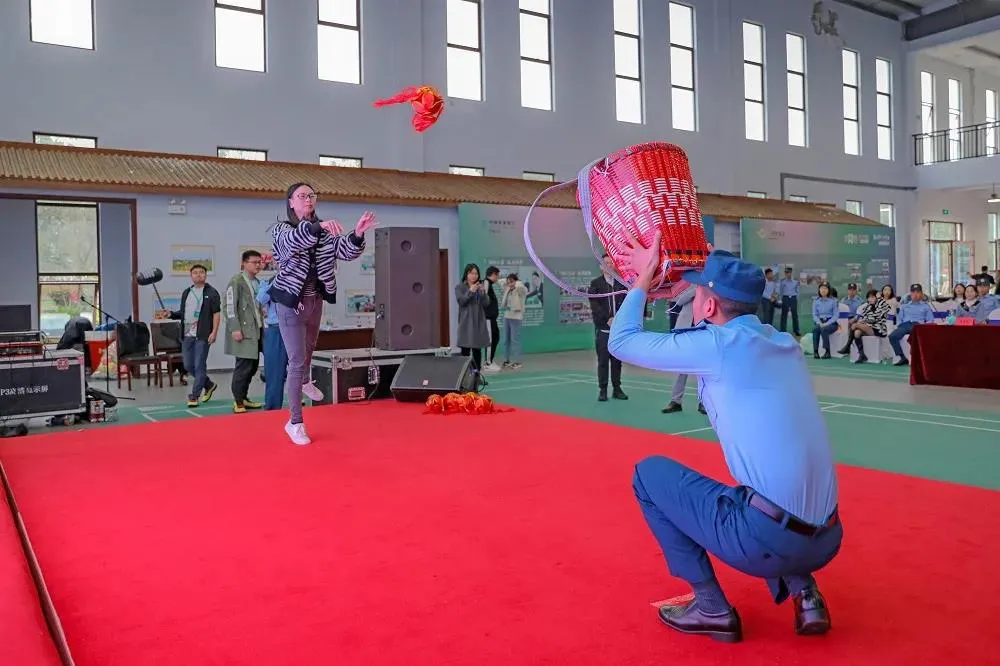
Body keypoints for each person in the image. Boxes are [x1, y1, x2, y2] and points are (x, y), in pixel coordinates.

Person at [609, 232, 841, 644]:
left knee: (649, 476)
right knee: (750, 493)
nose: (693, 298)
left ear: (710, 306)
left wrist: (643, 278)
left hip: (768, 541)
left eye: (698, 293)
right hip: (828, 539)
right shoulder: (782, 342)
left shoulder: (718, 345)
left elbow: (622, 342)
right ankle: (806, 594)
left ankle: (711, 608)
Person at [270, 182, 377, 445]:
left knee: (309, 348)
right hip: (290, 303)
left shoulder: (324, 232)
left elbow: (345, 250)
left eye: (311, 195)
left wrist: (358, 234)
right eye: (302, 196)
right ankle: (295, 422)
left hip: (315, 300)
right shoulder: (282, 230)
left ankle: (306, 380)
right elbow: (294, 241)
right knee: (296, 361)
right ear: (291, 202)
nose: (308, 199)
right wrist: (318, 227)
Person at [163, 264, 221, 408]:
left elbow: (216, 314)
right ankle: (209, 384)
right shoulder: (186, 292)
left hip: (203, 334)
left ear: (205, 275)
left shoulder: (212, 292)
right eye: (195, 273)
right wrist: (171, 314)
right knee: (188, 365)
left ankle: (194, 395)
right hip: (187, 334)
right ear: (191, 276)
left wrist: (214, 332)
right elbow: (183, 313)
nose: (199, 275)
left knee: (199, 364)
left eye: (202, 272)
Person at [225, 250, 265, 413]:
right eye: (254, 262)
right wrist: (235, 328)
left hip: (258, 330)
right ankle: (238, 401)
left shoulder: (258, 282)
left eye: (259, 262)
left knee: (253, 366)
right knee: (243, 366)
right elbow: (229, 306)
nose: (258, 265)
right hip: (244, 330)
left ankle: (244, 397)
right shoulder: (236, 281)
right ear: (244, 263)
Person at [588, 254, 629, 402]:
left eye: (611, 263)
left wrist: (618, 320)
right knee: (603, 361)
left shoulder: (621, 283)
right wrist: (608, 319)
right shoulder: (595, 284)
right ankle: (603, 390)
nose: (609, 265)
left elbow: (626, 303)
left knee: (617, 361)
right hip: (603, 330)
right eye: (605, 263)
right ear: (601, 266)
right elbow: (595, 305)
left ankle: (617, 389)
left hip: (618, 331)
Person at [660, 285, 704, 415]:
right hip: (685, 328)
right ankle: (676, 402)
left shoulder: (712, 285)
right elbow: (679, 300)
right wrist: (697, 290)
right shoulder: (687, 284)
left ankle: (703, 402)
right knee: (681, 367)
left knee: (703, 368)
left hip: (703, 329)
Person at [256, 274, 288, 411]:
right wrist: (275, 283)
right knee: (274, 371)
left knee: (299, 369)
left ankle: (298, 402)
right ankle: (273, 408)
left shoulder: (300, 278)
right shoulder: (269, 281)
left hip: (296, 328)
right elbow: (261, 299)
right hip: (276, 329)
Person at [887, 284, 934, 366]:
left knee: (914, 337)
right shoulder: (904, 306)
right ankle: (902, 357)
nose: (915, 294)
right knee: (892, 336)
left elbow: (930, 320)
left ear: (921, 294)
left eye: (918, 292)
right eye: (913, 292)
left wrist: (923, 326)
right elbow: (899, 319)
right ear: (910, 293)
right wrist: (899, 326)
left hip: (918, 325)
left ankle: (916, 358)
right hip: (905, 325)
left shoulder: (926, 306)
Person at [455, 263, 490, 370]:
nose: (474, 276)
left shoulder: (480, 287)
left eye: (476, 273)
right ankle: (465, 375)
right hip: (466, 323)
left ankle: (476, 373)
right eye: (471, 273)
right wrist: (470, 291)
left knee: (477, 350)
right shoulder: (460, 287)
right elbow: (461, 301)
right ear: (466, 274)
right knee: (465, 351)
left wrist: (483, 293)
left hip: (478, 322)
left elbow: (486, 304)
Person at [499, 272, 527, 369]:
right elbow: (501, 281)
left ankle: (517, 361)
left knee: (515, 340)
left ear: (516, 281)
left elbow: (521, 287)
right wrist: (509, 281)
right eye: (508, 282)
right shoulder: (507, 289)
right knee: (506, 340)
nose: (509, 284)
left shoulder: (520, 290)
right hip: (507, 316)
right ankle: (507, 360)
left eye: (512, 282)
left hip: (516, 317)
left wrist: (516, 282)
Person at [810, 282, 838, 359]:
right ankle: (816, 352)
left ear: (828, 290)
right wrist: (819, 322)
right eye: (821, 288)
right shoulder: (816, 301)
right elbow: (814, 315)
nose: (823, 290)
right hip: (820, 322)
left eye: (825, 288)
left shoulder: (833, 301)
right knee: (815, 329)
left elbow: (836, 316)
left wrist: (827, 323)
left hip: (831, 323)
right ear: (819, 290)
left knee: (824, 329)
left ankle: (827, 351)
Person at [483, 266, 502, 371]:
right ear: (493, 274)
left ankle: (490, 359)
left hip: (492, 319)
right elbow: (483, 298)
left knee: (496, 337)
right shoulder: (486, 282)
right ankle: (487, 363)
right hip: (488, 319)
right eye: (497, 275)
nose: (498, 278)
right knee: (491, 340)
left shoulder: (490, 284)